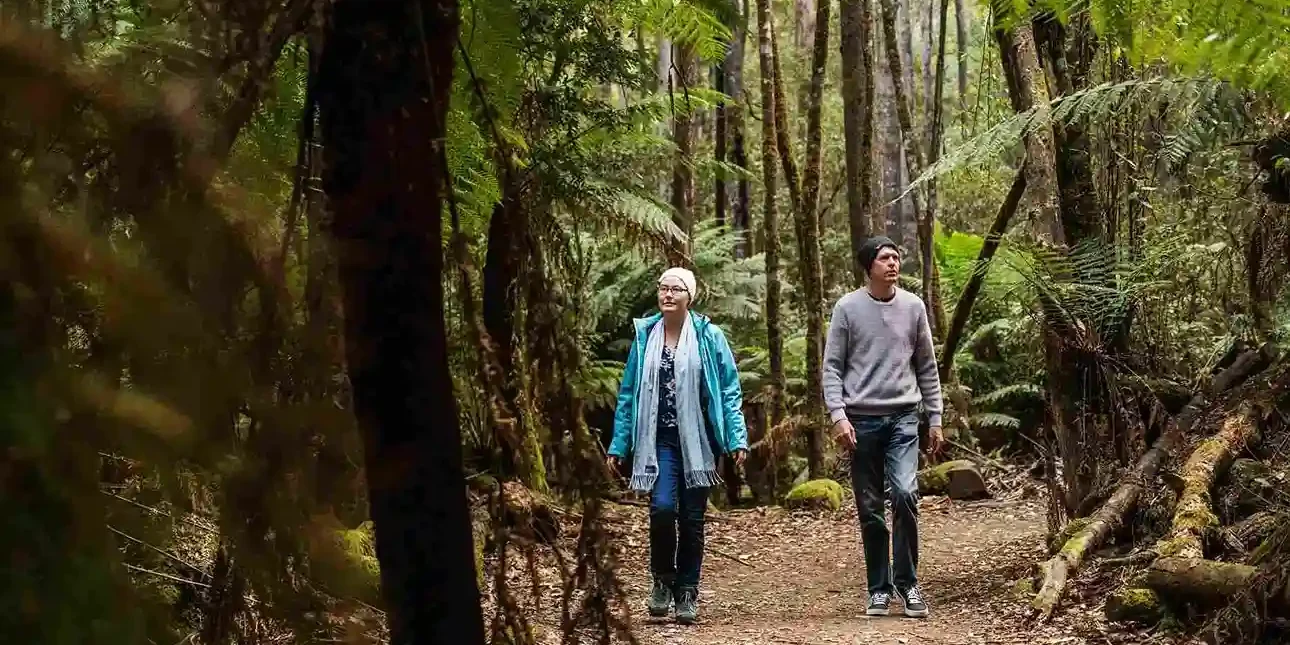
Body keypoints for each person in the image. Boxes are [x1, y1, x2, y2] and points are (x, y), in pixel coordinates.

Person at [606, 267, 749, 625]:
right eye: (663, 288)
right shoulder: (646, 337)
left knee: (692, 519)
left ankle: (687, 590)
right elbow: (628, 394)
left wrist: (736, 437)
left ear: (690, 297)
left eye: (676, 289)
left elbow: (729, 391)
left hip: (699, 441)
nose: (667, 295)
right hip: (659, 441)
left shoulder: (709, 336)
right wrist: (618, 444)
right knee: (662, 510)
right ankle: (661, 580)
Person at [822, 236, 944, 619]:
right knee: (871, 506)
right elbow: (831, 368)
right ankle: (879, 588)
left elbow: (927, 365)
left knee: (906, 494)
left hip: (904, 416)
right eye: (884, 258)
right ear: (869, 265)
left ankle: (907, 583)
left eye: (896, 257)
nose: (893, 263)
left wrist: (935, 417)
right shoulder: (847, 308)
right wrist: (838, 416)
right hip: (860, 420)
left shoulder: (913, 306)